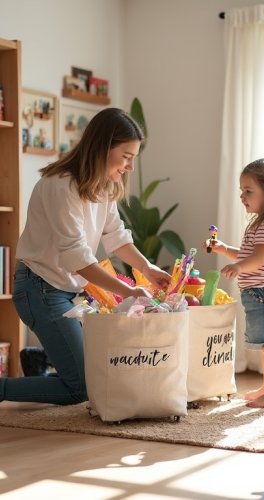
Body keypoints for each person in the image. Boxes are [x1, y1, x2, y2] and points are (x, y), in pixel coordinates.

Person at [1, 107, 171, 406]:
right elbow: (77, 257)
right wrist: (129, 290)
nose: (130, 167)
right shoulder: (59, 186)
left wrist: (147, 267)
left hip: (64, 290)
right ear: (103, 147)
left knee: (91, 375)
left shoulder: (104, 186)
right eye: (126, 157)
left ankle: (37, 360)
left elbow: (116, 236)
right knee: (81, 389)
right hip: (39, 289)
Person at [207, 158, 264, 408]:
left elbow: (258, 259)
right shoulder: (260, 224)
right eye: (241, 191)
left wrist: (238, 267)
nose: (242, 196)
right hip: (261, 294)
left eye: (248, 191)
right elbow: (248, 255)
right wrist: (225, 250)